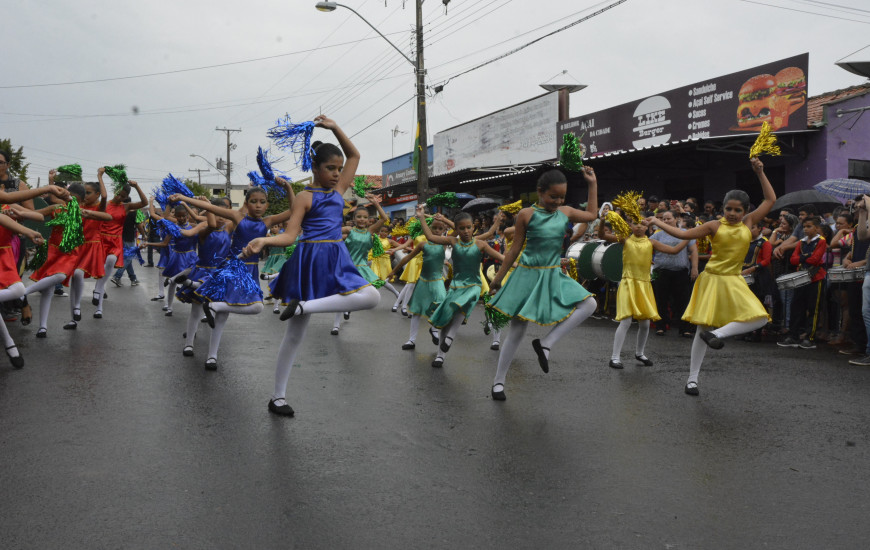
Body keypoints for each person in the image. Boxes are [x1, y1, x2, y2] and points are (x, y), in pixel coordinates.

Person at [244, 115, 380, 416]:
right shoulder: (305, 197)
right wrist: (266, 241)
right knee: (294, 335)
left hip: (336, 257)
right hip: (309, 258)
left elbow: (355, 155)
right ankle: (277, 397)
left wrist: (334, 127)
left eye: (338, 169)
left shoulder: (338, 192)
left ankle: (305, 306)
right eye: (330, 168)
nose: (335, 174)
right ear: (315, 168)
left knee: (372, 296)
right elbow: (291, 234)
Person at [645, 157, 774, 396]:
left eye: (738, 210)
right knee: (700, 328)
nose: (733, 213)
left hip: (734, 280)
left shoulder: (748, 223)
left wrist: (760, 173)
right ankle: (692, 380)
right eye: (729, 209)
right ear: (723, 208)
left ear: (745, 211)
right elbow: (684, 234)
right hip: (712, 278)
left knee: (759, 319)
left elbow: (770, 199)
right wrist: (656, 222)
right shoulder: (714, 225)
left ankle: (717, 334)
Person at [487, 166, 599, 401]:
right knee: (517, 330)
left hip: (552, 273)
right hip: (527, 275)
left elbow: (591, 215)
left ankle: (546, 343)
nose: (557, 201)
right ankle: (498, 382)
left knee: (589, 305)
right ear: (540, 192)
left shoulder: (566, 212)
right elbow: (515, 249)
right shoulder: (526, 214)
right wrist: (497, 279)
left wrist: (592, 184)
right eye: (553, 196)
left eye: (561, 197)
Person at [171, 180, 294, 370]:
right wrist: (183, 198)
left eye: (262, 202)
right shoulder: (237, 217)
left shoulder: (267, 222)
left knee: (227, 313)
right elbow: (208, 206)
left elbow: (294, 211)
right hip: (235, 266)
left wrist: (288, 188)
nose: (258, 205)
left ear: (267, 204)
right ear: (246, 203)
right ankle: (210, 353)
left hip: (251, 269)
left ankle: (212, 321)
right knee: (254, 308)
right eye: (254, 201)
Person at [414, 206, 504, 368]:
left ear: (473, 228)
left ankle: (450, 338)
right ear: (456, 229)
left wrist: (518, 264)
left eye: (469, 227)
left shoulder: (480, 244)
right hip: (456, 286)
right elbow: (429, 236)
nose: (466, 231)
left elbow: (501, 256)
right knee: (446, 320)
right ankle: (440, 356)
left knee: (467, 301)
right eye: (461, 228)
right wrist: (421, 216)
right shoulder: (452, 241)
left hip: (474, 285)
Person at [603, 214, 688, 368]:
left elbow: (674, 251)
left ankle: (640, 353)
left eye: (643, 224)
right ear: (630, 225)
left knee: (645, 324)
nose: (639, 226)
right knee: (626, 321)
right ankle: (615, 357)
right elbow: (603, 235)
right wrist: (602, 220)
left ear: (648, 227)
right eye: (635, 223)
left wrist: (688, 238)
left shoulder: (651, 242)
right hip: (629, 283)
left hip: (644, 284)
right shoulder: (625, 239)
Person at [386, 216, 449, 350]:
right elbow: (407, 258)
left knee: (439, 306)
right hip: (423, 280)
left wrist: (441, 218)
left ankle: (434, 330)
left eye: (440, 228)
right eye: (434, 228)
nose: (437, 230)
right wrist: (393, 271)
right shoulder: (422, 244)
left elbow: (455, 229)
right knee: (416, 311)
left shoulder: (444, 242)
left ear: (444, 230)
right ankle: (411, 340)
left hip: (437, 281)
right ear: (429, 228)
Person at [63, 180, 113, 330]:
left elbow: (104, 197)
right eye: (84, 192)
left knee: (78, 274)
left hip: (92, 246)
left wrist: (100, 176)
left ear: (97, 194)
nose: (86, 195)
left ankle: (78, 306)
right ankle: (73, 318)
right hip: (78, 245)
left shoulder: (99, 207)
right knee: (74, 280)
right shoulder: (79, 205)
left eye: (89, 192)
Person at [0, 206, 46, 367]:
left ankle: (9, 343)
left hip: (4, 255)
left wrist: (20, 214)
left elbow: (39, 217)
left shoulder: (7, 205)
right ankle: (9, 343)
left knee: (18, 289)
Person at [777, 216, 827, 349]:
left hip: (815, 277)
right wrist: (805, 257)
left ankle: (810, 337)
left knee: (813, 308)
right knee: (796, 306)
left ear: (816, 228)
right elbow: (793, 260)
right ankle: (793, 335)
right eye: (804, 227)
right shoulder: (801, 242)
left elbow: (815, 260)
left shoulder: (821, 241)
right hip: (801, 277)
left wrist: (802, 258)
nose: (805, 229)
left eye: (809, 226)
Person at [650, 210, 698, 337]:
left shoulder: (686, 234)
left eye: (668, 219)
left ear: (676, 219)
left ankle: (685, 328)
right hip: (661, 271)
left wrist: (694, 268)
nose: (665, 221)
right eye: (663, 219)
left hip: (681, 272)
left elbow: (693, 251)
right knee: (661, 300)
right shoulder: (657, 235)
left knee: (683, 301)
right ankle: (660, 326)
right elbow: (646, 248)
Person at [848, 195, 870, 366]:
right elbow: (862, 236)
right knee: (864, 312)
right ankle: (866, 349)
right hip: (867, 272)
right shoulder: (861, 223)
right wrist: (863, 212)